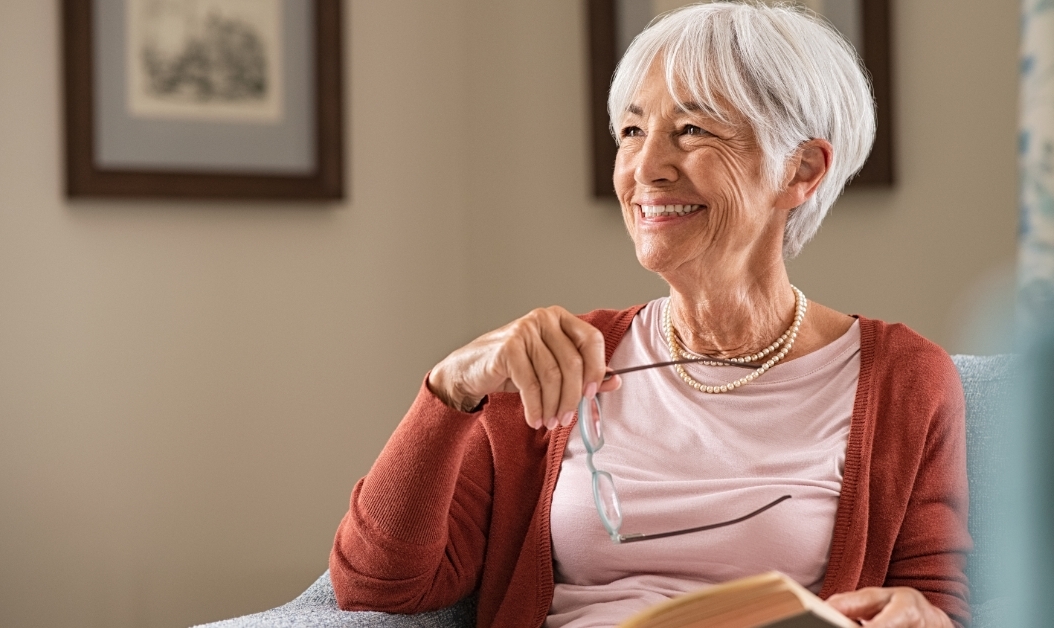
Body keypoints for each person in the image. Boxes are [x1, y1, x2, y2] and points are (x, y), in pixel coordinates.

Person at [329, 3, 970, 627]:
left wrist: (922, 617)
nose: (645, 169)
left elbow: (936, 603)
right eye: (633, 132)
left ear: (800, 170)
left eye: (692, 131)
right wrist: (451, 388)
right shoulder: (555, 362)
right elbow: (375, 583)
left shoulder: (904, 380)